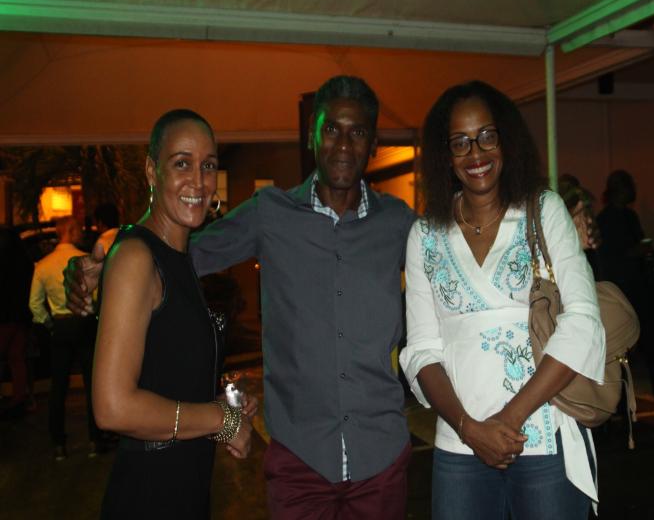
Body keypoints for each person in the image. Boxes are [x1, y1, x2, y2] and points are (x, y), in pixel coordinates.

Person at [66, 77, 416, 520]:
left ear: (374, 143)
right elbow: (177, 252)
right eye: (331, 129)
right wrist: (107, 260)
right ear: (312, 135)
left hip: (380, 461)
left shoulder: (399, 223)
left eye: (358, 131)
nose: (344, 144)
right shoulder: (270, 213)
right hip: (300, 464)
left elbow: (452, 269)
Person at [400, 81, 604, 519]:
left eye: (487, 136)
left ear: (506, 140)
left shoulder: (542, 210)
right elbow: (421, 350)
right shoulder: (425, 235)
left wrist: (509, 419)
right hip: (460, 446)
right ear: (445, 155)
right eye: (460, 142)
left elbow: (583, 320)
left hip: (544, 436)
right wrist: (469, 430)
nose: (475, 153)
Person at [92, 109, 255, 518]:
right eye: (182, 163)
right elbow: (112, 406)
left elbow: (166, 379)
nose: (198, 181)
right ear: (152, 171)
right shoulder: (136, 256)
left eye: (208, 165)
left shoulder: (180, 259)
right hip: (149, 496)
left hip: (186, 488)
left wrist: (223, 406)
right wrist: (220, 419)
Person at [595, 170, 654, 431]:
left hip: (637, 294)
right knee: (628, 358)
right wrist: (637, 253)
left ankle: (646, 412)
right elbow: (612, 260)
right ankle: (625, 414)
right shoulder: (610, 220)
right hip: (627, 296)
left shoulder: (626, 217)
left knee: (641, 356)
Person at [28, 216, 101, 459]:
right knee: (92, 383)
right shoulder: (85, 261)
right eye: (78, 228)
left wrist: (49, 324)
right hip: (84, 324)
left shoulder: (43, 265)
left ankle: (59, 443)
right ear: (70, 230)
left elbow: (34, 304)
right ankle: (95, 439)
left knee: (58, 387)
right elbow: (96, 297)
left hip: (60, 326)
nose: (81, 232)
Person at [0, 226, 34, 420]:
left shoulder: (4, 262)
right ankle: (19, 399)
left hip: (5, 317)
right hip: (21, 316)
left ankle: (17, 400)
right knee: (17, 359)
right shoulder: (25, 262)